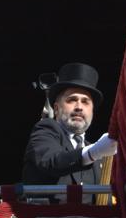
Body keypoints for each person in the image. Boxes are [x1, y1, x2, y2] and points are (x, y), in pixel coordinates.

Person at [21, 62, 117, 203]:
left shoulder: (99, 154)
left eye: (85, 102)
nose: (79, 107)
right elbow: (50, 161)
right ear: (57, 108)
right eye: (72, 100)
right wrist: (92, 152)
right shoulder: (45, 130)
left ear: (92, 112)